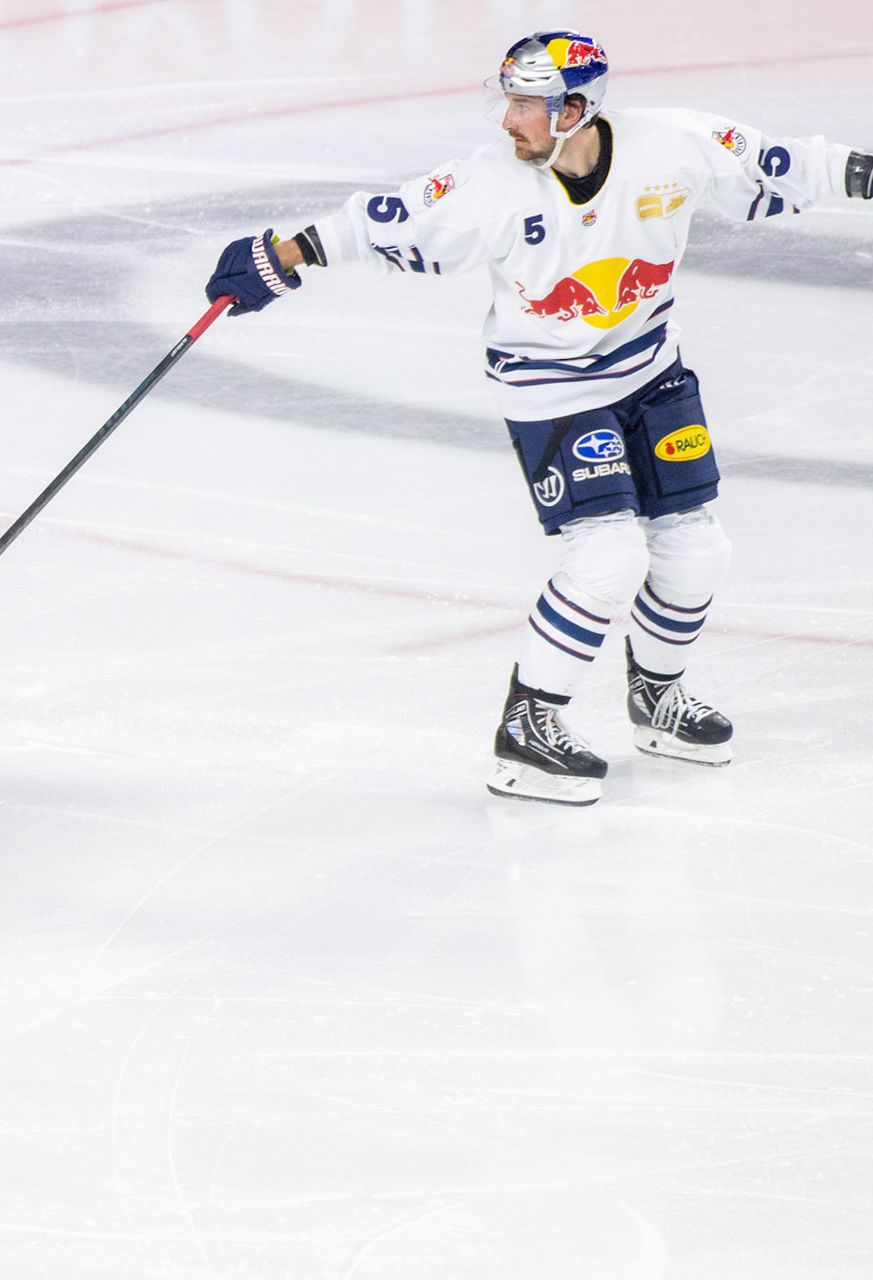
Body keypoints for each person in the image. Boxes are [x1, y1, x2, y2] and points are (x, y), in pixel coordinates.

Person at [204, 31, 872, 806]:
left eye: (526, 104)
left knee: (698, 548)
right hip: (551, 390)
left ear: (575, 109)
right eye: (510, 101)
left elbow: (783, 163)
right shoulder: (489, 185)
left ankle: (656, 699)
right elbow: (384, 218)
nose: (508, 120)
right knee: (609, 555)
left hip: (653, 373)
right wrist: (279, 256)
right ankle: (528, 728)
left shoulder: (673, 145)